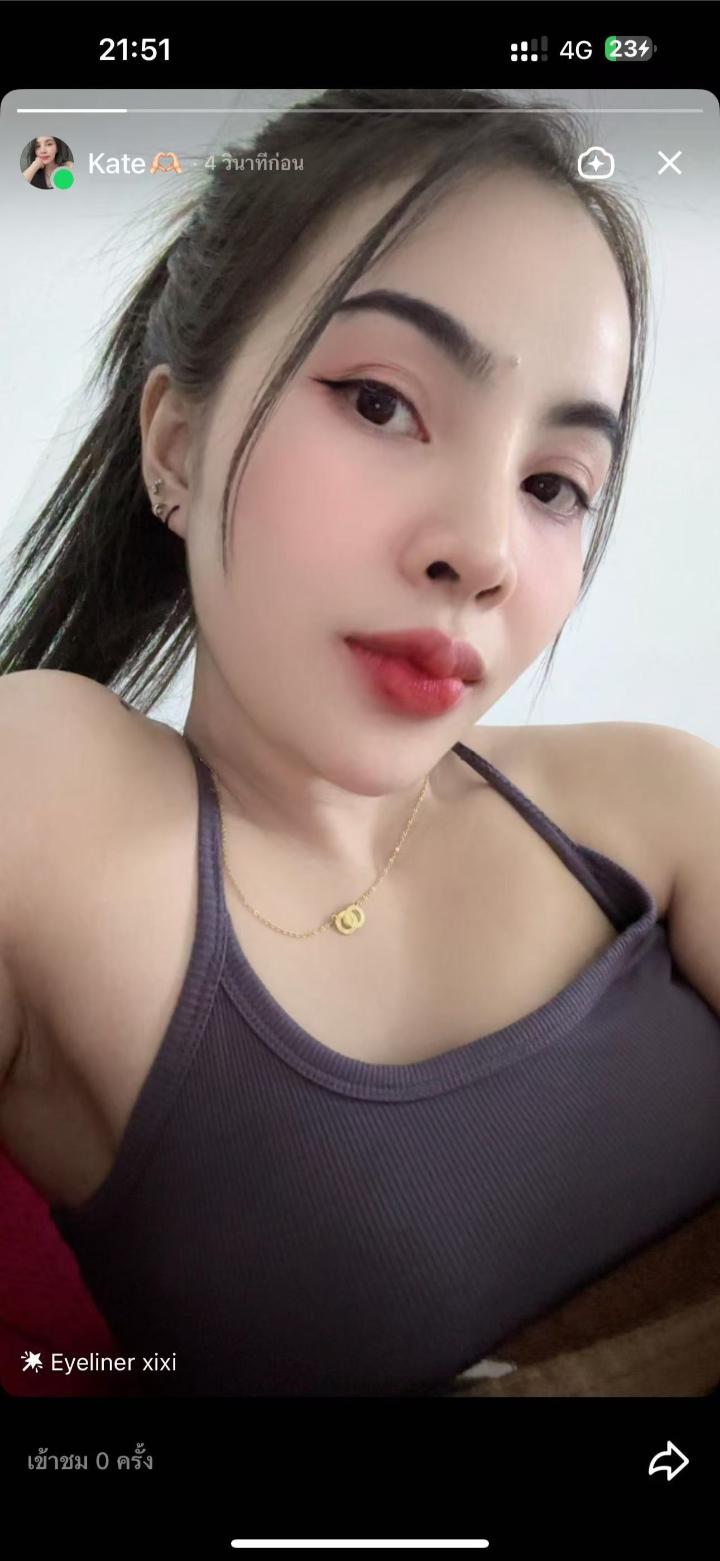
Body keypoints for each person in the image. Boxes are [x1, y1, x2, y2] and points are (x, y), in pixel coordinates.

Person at [0, 87, 719, 1398]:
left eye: (554, 485)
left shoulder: (659, 811)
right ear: (175, 444)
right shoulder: (51, 797)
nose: (484, 551)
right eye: (382, 403)